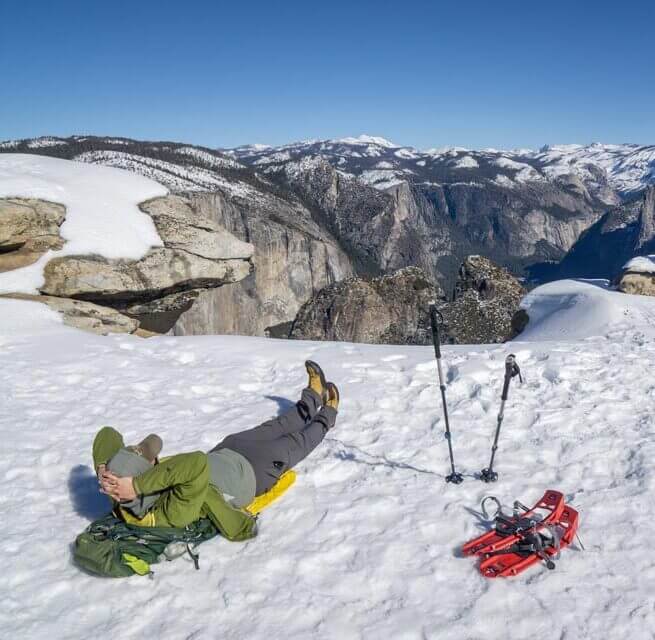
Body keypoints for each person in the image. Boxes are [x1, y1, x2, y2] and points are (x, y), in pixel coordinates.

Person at [93, 361, 339, 541]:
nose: (151, 457)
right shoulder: (171, 509)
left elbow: (107, 434)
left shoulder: (118, 485)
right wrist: (136, 485)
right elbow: (196, 463)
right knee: (296, 442)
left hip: (228, 451)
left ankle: (312, 397)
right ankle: (328, 413)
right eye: (144, 458)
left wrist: (104, 468)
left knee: (278, 425)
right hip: (252, 474)